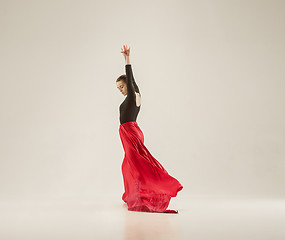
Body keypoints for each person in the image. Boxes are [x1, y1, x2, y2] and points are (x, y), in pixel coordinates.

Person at [117, 44, 183, 213]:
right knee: (128, 166)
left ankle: (150, 193)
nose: (121, 90)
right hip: (131, 132)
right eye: (118, 89)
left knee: (137, 167)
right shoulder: (136, 95)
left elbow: (132, 81)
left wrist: (127, 59)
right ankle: (134, 195)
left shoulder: (133, 96)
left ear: (128, 85)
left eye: (122, 87)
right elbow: (134, 84)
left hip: (131, 133)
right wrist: (125, 59)